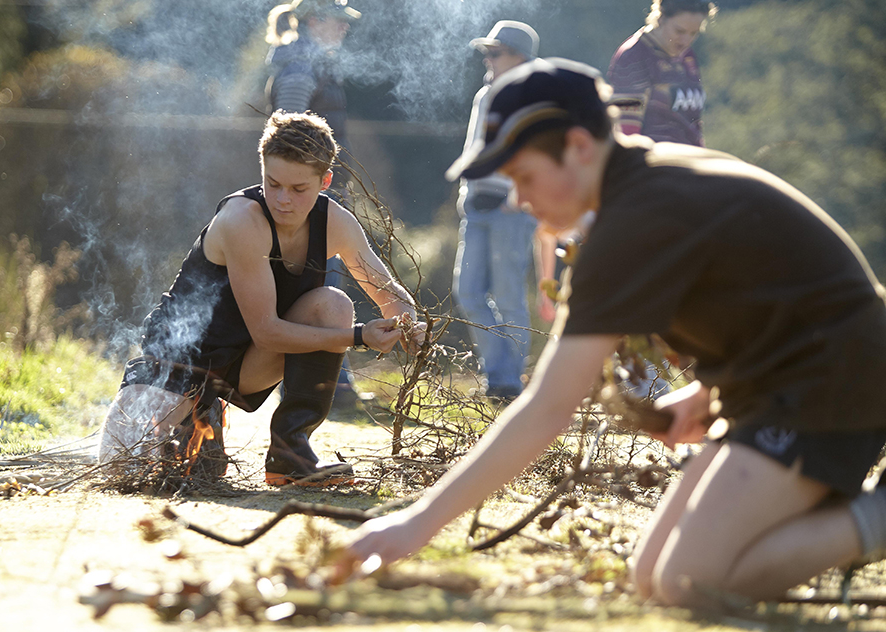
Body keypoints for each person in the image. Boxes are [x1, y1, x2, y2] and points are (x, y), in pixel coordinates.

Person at [344, 58, 886, 606]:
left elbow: (548, 407)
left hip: (838, 382)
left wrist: (415, 523)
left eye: (524, 177)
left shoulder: (635, 217)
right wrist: (706, 392)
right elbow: (776, 296)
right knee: (651, 576)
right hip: (782, 382)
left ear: (579, 146)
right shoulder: (646, 180)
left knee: (686, 582)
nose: (518, 199)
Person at [98, 110, 423, 486]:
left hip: (247, 366)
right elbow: (267, 331)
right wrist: (358, 336)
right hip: (179, 361)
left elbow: (389, 295)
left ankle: (290, 454)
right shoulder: (242, 220)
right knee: (120, 467)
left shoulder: (336, 222)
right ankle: (201, 414)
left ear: (325, 181)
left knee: (332, 305)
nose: (283, 199)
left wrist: (411, 326)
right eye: (274, 183)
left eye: (298, 189)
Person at [265, 0, 369, 410]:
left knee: (326, 287)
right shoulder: (300, 67)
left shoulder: (317, 64)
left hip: (320, 193)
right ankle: (327, 386)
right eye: (337, 21)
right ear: (313, 20)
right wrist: (304, 194)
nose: (344, 28)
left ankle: (329, 383)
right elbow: (286, 137)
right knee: (323, 289)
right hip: (308, 198)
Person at [452, 20, 547, 401]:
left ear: (519, 57)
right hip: (477, 206)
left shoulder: (535, 97)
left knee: (509, 297)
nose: (487, 59)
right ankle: (500, 376)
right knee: (468, 292)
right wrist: (466, 191)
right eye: (487, 52)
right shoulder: (484, 95)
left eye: (496, 53)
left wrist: (516, 195)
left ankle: (508, 383)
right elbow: (474, 148)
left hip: (513, 210)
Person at [608, 0, 717, 147]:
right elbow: (627, 132)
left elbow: (693, 123)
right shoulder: (635, 56)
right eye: (679, 31)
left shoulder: (687, 56)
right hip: (654, 157)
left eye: (694, 33)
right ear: (660, 18)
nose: (686, 41)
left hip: (690, 155)